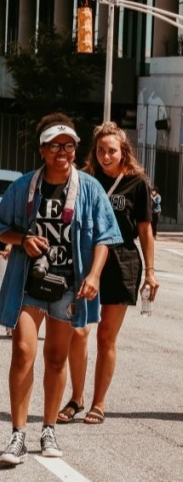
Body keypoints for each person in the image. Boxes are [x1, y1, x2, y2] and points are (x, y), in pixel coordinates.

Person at [0, 114, 121, 466]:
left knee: (56, 358)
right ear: (42, 150)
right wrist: (23, 239)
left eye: (68, 145)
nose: (62, 152)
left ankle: (48, 427)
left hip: (69, 285)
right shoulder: (24, 188)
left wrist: (93, 275)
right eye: (54, 146)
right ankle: (18, 434)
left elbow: (104, 238)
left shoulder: (90, 189)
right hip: (28, 283)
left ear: (76, 149)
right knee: (22, 351)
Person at [58, 122, 159, 426]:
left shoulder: (137, 183)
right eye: (101, 150)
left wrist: (151, 273)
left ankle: (98, 403)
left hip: (123, 262)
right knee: (79, 331)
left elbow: (145, 230)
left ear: (123, 151)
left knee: (106, 338)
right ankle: (76, 398)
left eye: (111, 150)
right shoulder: (86, 179)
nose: (105, 156)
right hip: (88, 261)